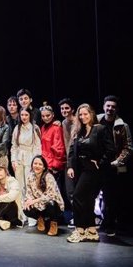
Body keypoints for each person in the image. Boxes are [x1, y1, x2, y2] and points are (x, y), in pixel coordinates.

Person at [66, 103, 115, 243]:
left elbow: (110, 150)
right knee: (86, 200)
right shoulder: (78, 131)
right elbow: (71, 151)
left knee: (77, 196)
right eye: (80, 115)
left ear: (91, 114)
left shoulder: (99, 129)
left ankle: (80, 229)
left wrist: (99, 162)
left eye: (85, 114)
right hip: (80, 169)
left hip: (93, 170)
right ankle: (92, 230)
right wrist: (70, 166)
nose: (82, 117)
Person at [97, 95, 131, 237]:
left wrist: (118, 161)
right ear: (104, 106)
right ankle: (98, 221)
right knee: (96, 195)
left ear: (116, 109)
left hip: (113, 166)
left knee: (111, 197)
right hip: (98, 164)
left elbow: (128, 147)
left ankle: (110, 224)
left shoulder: (122, 125)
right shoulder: (96, 120)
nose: (110, 109)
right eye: (108, 106)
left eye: (113, 106)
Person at [24, 155, 64, 236]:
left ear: (44, 167)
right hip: (39, 205)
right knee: (25, 206)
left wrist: (34, 201)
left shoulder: (48, 177)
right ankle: (40, 219)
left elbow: (50, 195)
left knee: (51, 203)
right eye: (35, 163)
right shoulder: (30, 176)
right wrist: (28, 201)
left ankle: (53, 224)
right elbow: (28, 193)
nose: (37, 166)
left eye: (40, 164)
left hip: (53, 205)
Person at [11, 108, 42, 197]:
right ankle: (21, 207)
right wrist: (13, 160)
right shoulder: (17, 128)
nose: (24, 117)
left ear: (30, 116)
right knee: (19, 184)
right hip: (18, 158)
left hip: (30, 157)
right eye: (22, 115)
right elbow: (14, 146)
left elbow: (38, 146)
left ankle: (30, 206)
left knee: (30, 183)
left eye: (26, 115)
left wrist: (36, 162)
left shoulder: (35, 128)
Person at [39, 105, 66, 185]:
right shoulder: (43, 127)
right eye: (43, 116)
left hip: (52, 166)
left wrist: (55, 166)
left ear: (53, 115)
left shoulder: (56, 128)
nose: (45, 118)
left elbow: (59, 149)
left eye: (48, 115)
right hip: (44, 163)